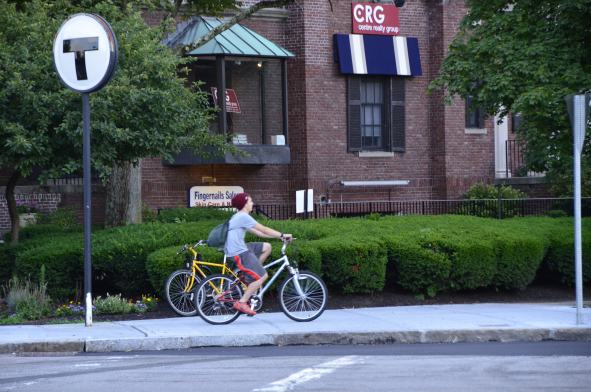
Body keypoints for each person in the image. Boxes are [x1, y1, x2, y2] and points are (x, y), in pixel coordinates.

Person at [224, 192, 292, 316]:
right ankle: (242, 302)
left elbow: (260, 233)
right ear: (244, 204)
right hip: (239, 252)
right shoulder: (243, 216)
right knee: (263, 276)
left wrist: (279, 238)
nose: (252, 203)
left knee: (267, 247)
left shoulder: (239, 216)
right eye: (250, 201)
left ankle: (251, 274)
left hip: (241, 248)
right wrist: (283, 234)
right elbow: (264, 229)